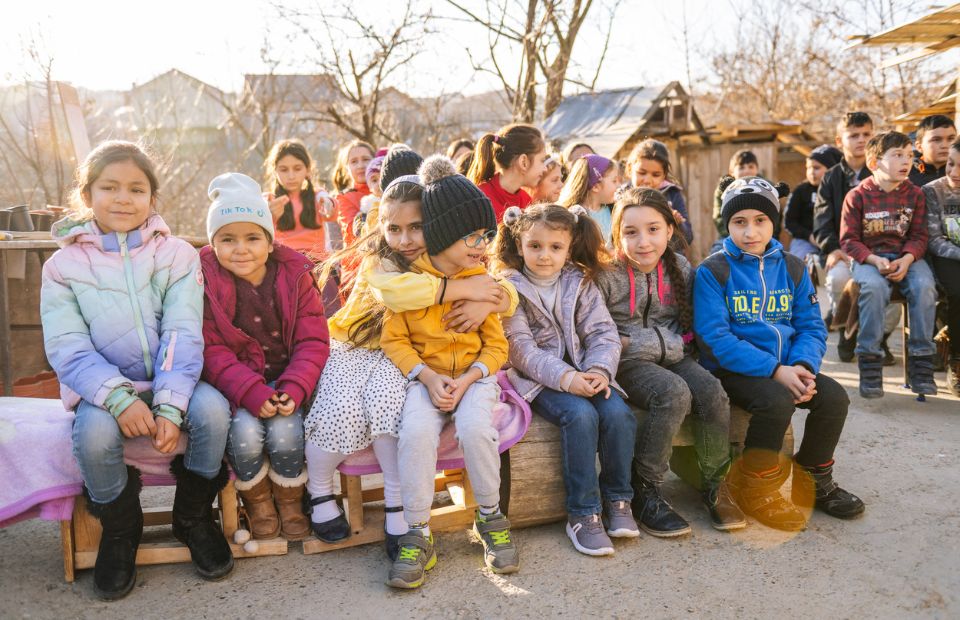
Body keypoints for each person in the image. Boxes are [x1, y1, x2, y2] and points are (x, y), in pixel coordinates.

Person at [40, 141, 233, 599]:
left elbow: (183, 332)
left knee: (213, 413)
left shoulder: (177, 256)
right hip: (102, 389)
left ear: (152, 198)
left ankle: (192, 517)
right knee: (92, 435)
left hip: (176, 379)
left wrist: (168, 404)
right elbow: (68, 346)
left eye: (136, 188)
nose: (123, 198)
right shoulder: (63, 267)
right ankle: (121, 530)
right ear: (87, 196)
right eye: (109, 187)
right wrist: (118, 398)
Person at [304, 174, 517, 559]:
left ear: (434, 227)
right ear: (381, 227)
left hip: (395, 354)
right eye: (394, 228)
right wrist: (466, 291)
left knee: (389, 410)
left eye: (416, 228)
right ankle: (318, 489)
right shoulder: (382, 261)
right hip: (353, 346)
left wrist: (489, 301)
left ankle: (397, 502)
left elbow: (506, 290)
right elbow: (399, 293)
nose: (404, 239)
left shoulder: (451, 262)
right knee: (341, 409)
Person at [695, 175, 864, 531]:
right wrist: (775, 371)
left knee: (833, 398)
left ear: (775, 222)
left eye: (760, 221)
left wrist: (801, 366)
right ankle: (757, 489)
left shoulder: (792, 267)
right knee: (776, 401)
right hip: (732, 369)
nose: (750, 232)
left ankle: (815, 479)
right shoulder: (713, 271)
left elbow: (811, 326)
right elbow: (715, 339)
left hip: (788, 365)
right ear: (727, 224)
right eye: (739, 222)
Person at [383, 156, 517, 588]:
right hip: (427, 380)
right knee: (416, 432)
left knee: (477, 427)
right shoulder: (409, 284)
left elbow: (497, 346)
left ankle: (491, 517)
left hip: (475, 379)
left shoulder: (483, 281)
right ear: (441, 235)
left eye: (486, 235)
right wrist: (425, 376)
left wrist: (472, 377)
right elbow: (394, 341)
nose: (482, 245)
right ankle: (417, 531)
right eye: (471, 236)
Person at [597, 187, 742, 536]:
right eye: (630, 232)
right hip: (627, 363)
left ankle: (714, 481)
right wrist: (633, 343)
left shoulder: (678, 267)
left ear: (669, 230)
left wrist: (654, 341)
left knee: (712, 392)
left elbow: (688, 325)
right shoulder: (606, 274)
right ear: (617, 235)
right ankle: (645, 489)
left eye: (653, 229)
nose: (643, 241)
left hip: (673, 354)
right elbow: (602, 334)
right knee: (673, 393)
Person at [495, 203, 638, 556]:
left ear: (569, 247)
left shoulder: (580, 282)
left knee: (619, 414)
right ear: (519, 245)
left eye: (555, 247)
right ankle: (583, 513)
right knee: (580, 415)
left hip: (588, 371)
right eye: (535, 246)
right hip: (539, 379)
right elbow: (521, 350)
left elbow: (603, 332)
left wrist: (598, 371)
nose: (545, 256)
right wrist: (567, 377)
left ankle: (619, 500)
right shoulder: (510, 288)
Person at [200, 173, 329, 542]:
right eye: (228, 239)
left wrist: (295, 386)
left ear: (270, 242)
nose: (241, 249)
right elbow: (211, 348)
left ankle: (290, 500)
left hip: (288, 378)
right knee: (243, 433)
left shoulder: (295, 275)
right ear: (213, 243)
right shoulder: (206, 281)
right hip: (239, 385)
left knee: (287, 431)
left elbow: (313, 339)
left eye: (253, 237)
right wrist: (250, 391)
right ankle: (257, 501)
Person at [841, 132, 938, 398]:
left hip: (906, 257)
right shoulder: (857, 196)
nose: (906, 161)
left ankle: (922, 361)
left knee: (924, 286)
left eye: (909, 155)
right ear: (874, 162)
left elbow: (919, 236)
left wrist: (907, 259)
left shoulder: (915, 195)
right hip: (869, 258)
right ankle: (870, 360)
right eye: (897, 155)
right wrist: (873, 259)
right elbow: (849, 240)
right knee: (873, 288)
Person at [813, 112, 900, 363]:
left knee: (895, 283)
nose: (861, 140)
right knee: (838, 277)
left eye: (867, 134)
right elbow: (822, 219)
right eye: (854, 135)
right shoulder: (831, 178)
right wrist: (832, 248)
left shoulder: (886, 174)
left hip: (883, 251)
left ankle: (880, 337)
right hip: (845, 250)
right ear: (840, 141)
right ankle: (846, 329)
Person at [923, 137, 960, 396]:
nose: (954, 173)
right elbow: (934, 240)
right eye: (951, 164)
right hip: (944, 257)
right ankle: (956, 361)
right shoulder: (932, 191)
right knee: (958, 294)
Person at [262, 139, 336, 261]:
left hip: (316, 263)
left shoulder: (317, 196)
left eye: (297, 169)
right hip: (283, 263)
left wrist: (329, 205)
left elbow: (330, 208)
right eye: (284, 170)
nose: (291, 176)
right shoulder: (270, 200)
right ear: (275, 171)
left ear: (307, 170)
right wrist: (269, 215)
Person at [467, 123, 547, 221]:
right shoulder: (479, 200)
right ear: (523, 162)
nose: (545, 168)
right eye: (542, 160)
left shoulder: (527, 201)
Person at [625, 139, 693, 244]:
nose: (647, 180)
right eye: (642, 173)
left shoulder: (672, 194)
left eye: (656, 175)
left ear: (664, 175)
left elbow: (688, 238)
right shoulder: (621, 196)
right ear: (630, 169)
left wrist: (677, 223)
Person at [784, 145, 842, 260]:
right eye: (808, 168)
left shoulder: (842, 190)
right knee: (797, 263)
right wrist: (809, 236)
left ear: (832, 168)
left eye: (816, 168)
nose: (811, 172)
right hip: (806, 241)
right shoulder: (801, 191)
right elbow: (789, 222)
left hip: (838, 241)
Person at [558, 154, 619, 243]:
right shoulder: (575, 216)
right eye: (614, 181)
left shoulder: (613, 209)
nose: (618, 185)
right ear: (595, 186)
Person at [332, 139, 376, 249]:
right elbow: (354, 235)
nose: (360, 165)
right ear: (347, 168)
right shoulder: (343, 198)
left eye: (366, 159)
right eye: (354, 161)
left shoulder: (385, 191)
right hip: (358, 260)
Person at [712, 150, 760, 238]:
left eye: (751, 166)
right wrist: (734, 236)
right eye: (741, 167)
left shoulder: (766, 188)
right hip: (730, 236)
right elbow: (719, 218)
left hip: (760, 235)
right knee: (717, 250)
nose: (747, 171)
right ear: (732, 172)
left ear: (757, 169)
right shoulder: (723, 190)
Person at [910, 114, 957, 187]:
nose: (945, 145)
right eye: (936, 140)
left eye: (950, 139)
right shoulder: (906, 175)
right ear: (919, 146)